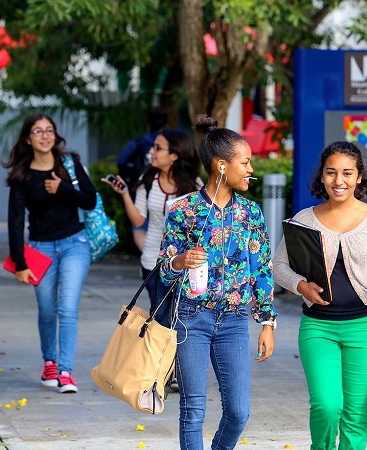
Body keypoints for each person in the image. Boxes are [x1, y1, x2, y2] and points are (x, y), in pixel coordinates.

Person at [272, 141, 367, 449]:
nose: (339, 181)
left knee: (354, 415)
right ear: (321, 177)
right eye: (331, 173)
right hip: (317, 328)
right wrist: (299, 285)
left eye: (347, 173)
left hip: (364, 328)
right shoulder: (304, 219)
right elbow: (278, 266)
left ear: (360, 177)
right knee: (326, 405)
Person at [158, 114, 277, 450]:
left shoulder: (251, 213)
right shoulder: (184, 210)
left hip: (235, 322)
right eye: (245, 162)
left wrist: (266, 321)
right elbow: (163, 270)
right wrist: (179, 261)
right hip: (191, 318)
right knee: (192, 409)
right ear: (222, 166)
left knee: (239, 412)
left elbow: (261, 269)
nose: (250, 169)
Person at [5, 113, 97, 394]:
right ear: (27, 138)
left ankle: (66, 371)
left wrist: (63, 188)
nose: (44, 136)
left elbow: (90, 199)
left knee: (67, 308)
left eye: (49, 130)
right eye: (37, 131)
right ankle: (50, 361)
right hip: (40, 248)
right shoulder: (22, 175)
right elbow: (15, 220)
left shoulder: (70, 163)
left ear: (56, 136)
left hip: (74, 244)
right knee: (46, 310)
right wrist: (19, 262)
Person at [102, 129, 202, 327]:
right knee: (161, 319)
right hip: (153, 261)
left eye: (158, 148)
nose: (151, 152)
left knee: (184, 320)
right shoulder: (148, 182)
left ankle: (182, 358)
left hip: (185, 263)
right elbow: (139, 221)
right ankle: (163, 358)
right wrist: (124, 194)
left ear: (174, 155)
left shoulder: (194, 186)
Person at [117, 106, 168, 251]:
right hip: (166, 191)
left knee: (140, 226)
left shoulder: (139, 142)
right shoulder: (171, 143)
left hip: (143, 188)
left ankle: (150, 260)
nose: (153, 153)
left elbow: (121, 161)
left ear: (148, 123)